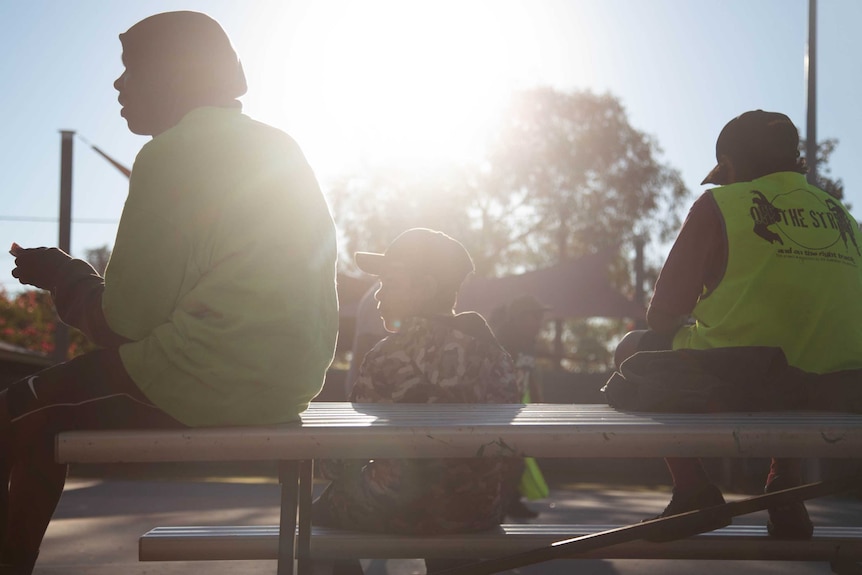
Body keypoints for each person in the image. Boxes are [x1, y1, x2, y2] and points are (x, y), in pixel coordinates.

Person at [2, 11, 338, 573]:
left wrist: (64, 275)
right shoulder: (279, 145)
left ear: (172, 77)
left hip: (202, 378)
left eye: (130, 69)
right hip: (288, 385)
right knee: (42, 421)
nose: (117, 85)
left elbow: (124, 323)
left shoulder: (170, 153)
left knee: (16, 412)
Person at [614, 109, 862, 541]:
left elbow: (662, 315)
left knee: (634, 349)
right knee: (798, 362)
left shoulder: (720, 204)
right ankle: (784, 488)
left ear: (729, 166)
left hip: (747, 379)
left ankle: (693, 492)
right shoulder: (846, 218)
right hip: (843, 386)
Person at [312, 228, 520, 574]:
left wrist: (323, 467)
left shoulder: (388, 355)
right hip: (479, 508)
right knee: (448, 502)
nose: (378, 295)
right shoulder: (495, 355)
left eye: (390, 283)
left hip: (401, 506)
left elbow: (347, 450)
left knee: (315, 518)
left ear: (425, 287)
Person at [490, 294, 552, 519]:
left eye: (540, 317)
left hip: (517, 411)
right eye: (534, 316)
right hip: (498, 412)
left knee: (517, 461)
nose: (539, 322)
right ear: (517, 318)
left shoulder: (529, 344)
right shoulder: (502, 341)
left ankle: (510, 501)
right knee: (504, 462)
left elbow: (530, 374)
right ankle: (499, 505)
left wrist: (539, 402)